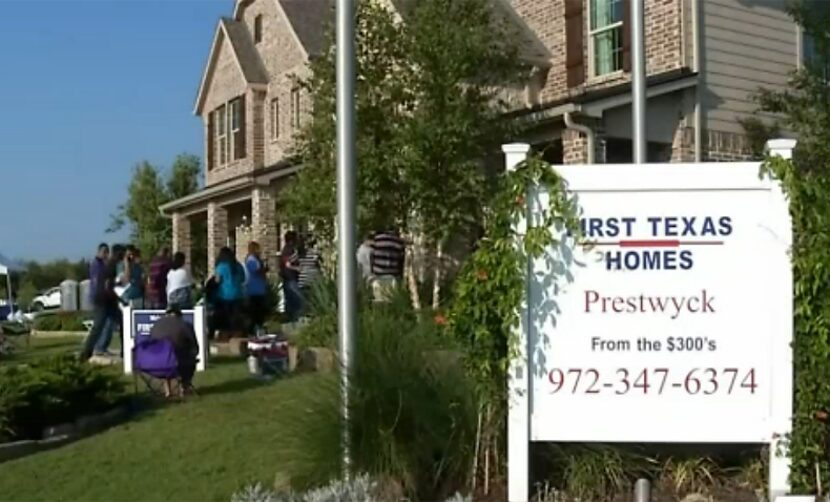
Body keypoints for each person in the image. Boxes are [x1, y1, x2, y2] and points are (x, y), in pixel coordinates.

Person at [149, 305, 199, 396]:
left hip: (156, 364)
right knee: (189, 361)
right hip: (178, 363)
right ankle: (184, 387)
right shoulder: (185, 325)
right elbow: (195, 346)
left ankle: (168, 391)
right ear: (179, 315)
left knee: (165, 357)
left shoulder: (156, 325)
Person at [81, 243, 119, 360]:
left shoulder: (102, 264)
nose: (106, 254)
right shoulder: (96, 265)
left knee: (112, 321)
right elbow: (98, 282)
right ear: (99, 252)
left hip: (105, 298)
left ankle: (101, 347)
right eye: (104, 252)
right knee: (98, 326)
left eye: (107, 252)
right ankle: (87, 351)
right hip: (99, 298)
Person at [214, 247, 245, 335]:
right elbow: (243, 279)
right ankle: (237, 332)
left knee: (226, 316)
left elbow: (217, 280)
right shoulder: (238, 265)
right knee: (236, 316)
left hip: (224, 295)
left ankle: (226, 333)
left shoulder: (221, 266)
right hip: (238, 294)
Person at [370, 229, 405, 301]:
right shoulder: (398, 242)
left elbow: (371, 255)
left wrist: (372, 270)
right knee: (390, 299)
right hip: (392, 274)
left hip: (378, 273)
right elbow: (401, 259)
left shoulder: (377, 239)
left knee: (378, 300)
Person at [245, 241, 269, 334]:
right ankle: (252, 330)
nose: (259, 251)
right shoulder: (251, 260)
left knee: (260, 312)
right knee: (255, 312)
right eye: (257, 249)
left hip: (260, 289)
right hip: (254, 289)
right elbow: (256, 271)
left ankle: (258, 328)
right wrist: (264, 269)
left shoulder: (257, 260)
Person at [279, 231, 302, 323]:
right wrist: (297, 268)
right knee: (296, 301)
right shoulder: (288, 250)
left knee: (290, 301)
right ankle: (294, 322)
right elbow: (287, 264)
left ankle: (291, 321)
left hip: (288, 278)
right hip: (290, 278)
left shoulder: (287, 250)